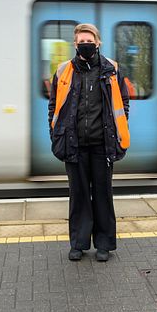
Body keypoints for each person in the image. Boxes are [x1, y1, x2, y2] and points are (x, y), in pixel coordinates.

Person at [48, 23, 130, 262]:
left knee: (103, 195)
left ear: (98, 42)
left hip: (102, 145)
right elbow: (53, 105)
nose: (85, 44)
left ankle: (104, 244)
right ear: (75, 44)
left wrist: (118, 134)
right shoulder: (64, 71)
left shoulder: (112, 69)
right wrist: (55, 133)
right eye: (81, 41)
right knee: (79, 195)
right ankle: (79, 243)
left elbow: (123, 104)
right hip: (74, 144)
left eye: (89, 40)